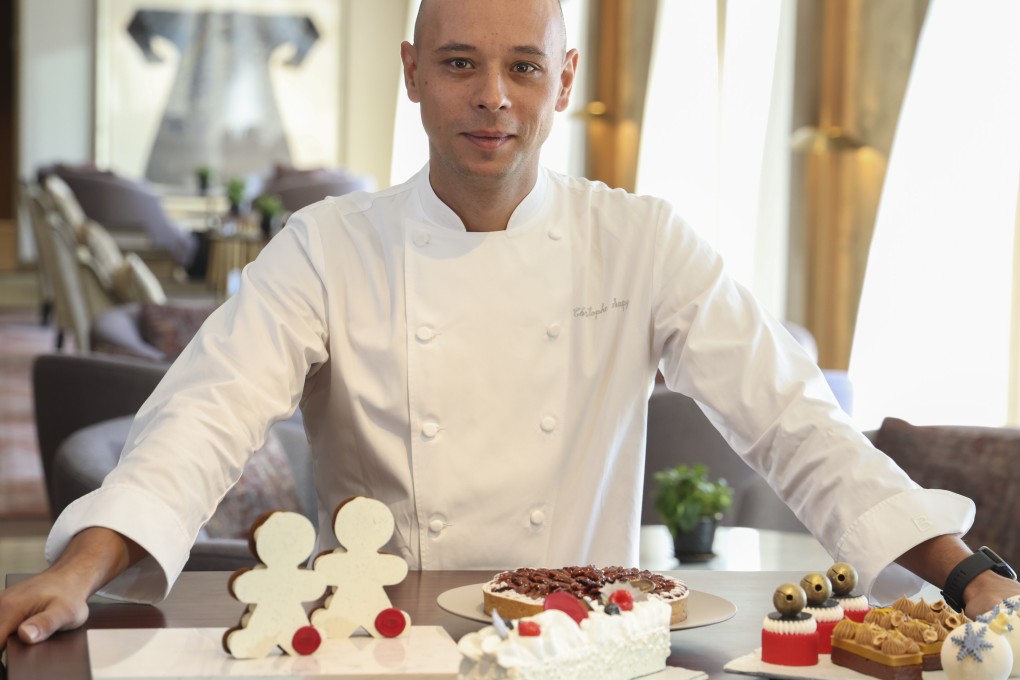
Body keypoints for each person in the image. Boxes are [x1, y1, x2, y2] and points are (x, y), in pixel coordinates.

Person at [2, 0, 1018, 652]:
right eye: (458, 63)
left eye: (524, 67)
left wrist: (963, 571)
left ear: (563, 83)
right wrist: (72, 570)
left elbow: (792, 418)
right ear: (411, 72)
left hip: (587, 649)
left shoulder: (641, 240)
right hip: (382, 641)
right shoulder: (326, 247)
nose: (493, 97)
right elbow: (201, 418)